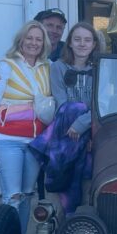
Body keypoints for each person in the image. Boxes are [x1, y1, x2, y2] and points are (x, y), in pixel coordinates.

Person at [0, 20, 52, 234]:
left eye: (38, 39)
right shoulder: (5, 66)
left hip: (34, 142)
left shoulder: (47, 68)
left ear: (44, 43)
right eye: (29, 38)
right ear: (20, 40)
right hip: (7, 141)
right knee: (12, 197)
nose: (33, 42)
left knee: (27, 196)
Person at [30, 22, 103, 213]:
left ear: (94, 44)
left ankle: (77, 212)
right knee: (73, 106)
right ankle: (64, 217)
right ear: (69, 43)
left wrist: (82, 126)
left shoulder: (102, 68)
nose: (82, 44)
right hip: (65, 129)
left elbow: (101, 105)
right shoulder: (58, 68)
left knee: (85, 171)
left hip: (86, 131)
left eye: (87, 40)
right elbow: (62, 105)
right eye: (77, 39)